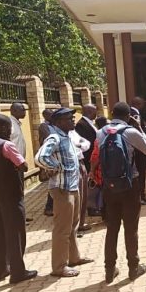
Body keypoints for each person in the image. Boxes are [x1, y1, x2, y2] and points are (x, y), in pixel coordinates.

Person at [90, 102, 146, 284]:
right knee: (131, 228)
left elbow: (96, 157)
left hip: (109, 186)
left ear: (111, 113)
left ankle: (109, 270)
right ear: (128, 116)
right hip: (130, 184)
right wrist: (139, 127)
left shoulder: (101, 132)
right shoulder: (131, 132)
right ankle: (133, 267)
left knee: (112, 228)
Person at [35, 108, 93, 277]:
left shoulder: (67, 137)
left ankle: (74, 258)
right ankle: (59, 267)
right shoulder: (55, 138)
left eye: (72, 117)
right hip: (62, 189)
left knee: (73, 225)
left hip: (72, 187)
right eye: (69, 118)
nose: (73, 120)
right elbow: (40, 157)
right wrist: (55, 167)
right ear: (59, 122)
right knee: (62, 229)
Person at [0, 114, 37, 284]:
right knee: (15, 231)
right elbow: (23, 165)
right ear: (4, 128)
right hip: (10, 194)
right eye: (10, 127)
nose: (11, 131)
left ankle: (0, 269)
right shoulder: (6, 145)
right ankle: (18, 271)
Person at [10, 102, 31, 223]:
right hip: (14, 165)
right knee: (16, 192)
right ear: (14, 111)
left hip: (19, 165)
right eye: (22, 109)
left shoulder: (17, 124)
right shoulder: (10, 125)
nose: (25, 111)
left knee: (20, 191)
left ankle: (21, 215)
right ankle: (18, 218)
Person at [131, 96, 146, 206]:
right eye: (143, 104)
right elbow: (138, 131)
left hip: (136, 148)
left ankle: (141, 195)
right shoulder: (135, 114)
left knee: (140, 173)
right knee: (140, 173)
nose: (144, 106)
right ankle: (140, 196)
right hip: (138, 149)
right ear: (138, 104)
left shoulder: (132, 113)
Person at [69, 128, 91, 236]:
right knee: (75, 197)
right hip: (72, 165)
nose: (73, 121)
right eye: (69, 119)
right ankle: (74, 228)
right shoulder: (57, 135)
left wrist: (80, 145)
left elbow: (87, 143)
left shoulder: (73, 132)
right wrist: (79, 145)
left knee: (83, 196)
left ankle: (80, 224)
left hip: (80, 163)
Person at [39, 108, 54, 217]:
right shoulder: (44, 126)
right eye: (50, 115)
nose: (52, 116)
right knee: (53, 183)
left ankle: (51, 206)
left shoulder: (52, 125)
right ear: (45, 116)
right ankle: (49, 207)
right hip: (49, 158)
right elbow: (50, 138)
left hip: (53, 158)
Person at [75, 104, 98, 172]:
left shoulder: (90, 123)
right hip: (88, 159)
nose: (96, 114)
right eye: (95, 111)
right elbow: (83, 143)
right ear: (90, 111)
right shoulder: (81, 124)